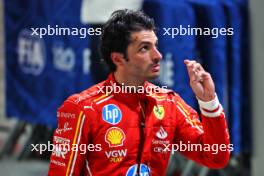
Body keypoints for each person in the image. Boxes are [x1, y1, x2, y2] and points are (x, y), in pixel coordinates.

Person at [48, 9, 230, 176]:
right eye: (145, 48)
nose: (158, 55)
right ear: (118, 58)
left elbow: (215, 157)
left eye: (155, 45)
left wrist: (208, 102)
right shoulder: (82, 108)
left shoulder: (169, 104)